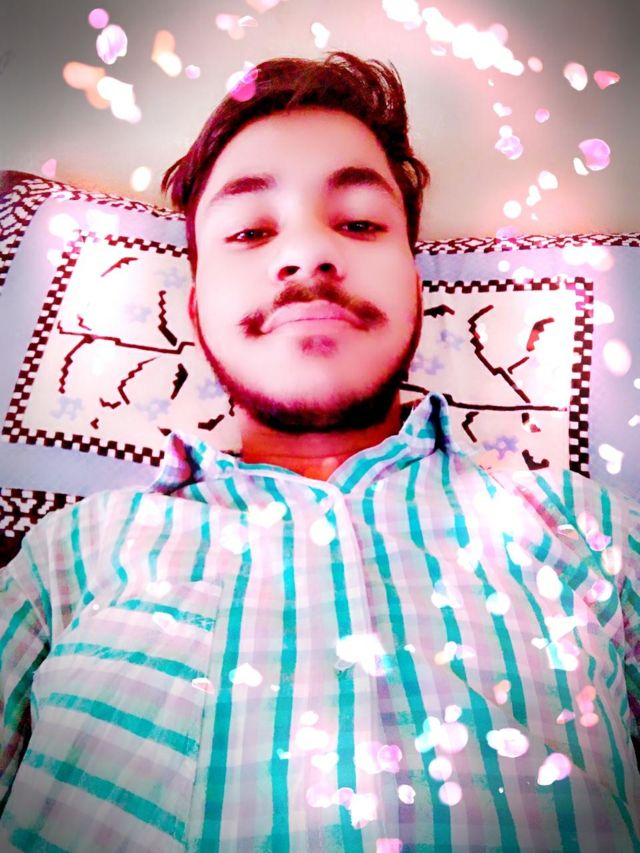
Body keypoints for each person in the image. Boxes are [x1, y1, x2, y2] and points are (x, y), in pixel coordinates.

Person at [1, 50, 639, 852]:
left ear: (416, 282)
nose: (305, 254)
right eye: (250, 231)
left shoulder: (593, 530)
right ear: (196, 310)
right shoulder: (63, 556)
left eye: (361, 223)